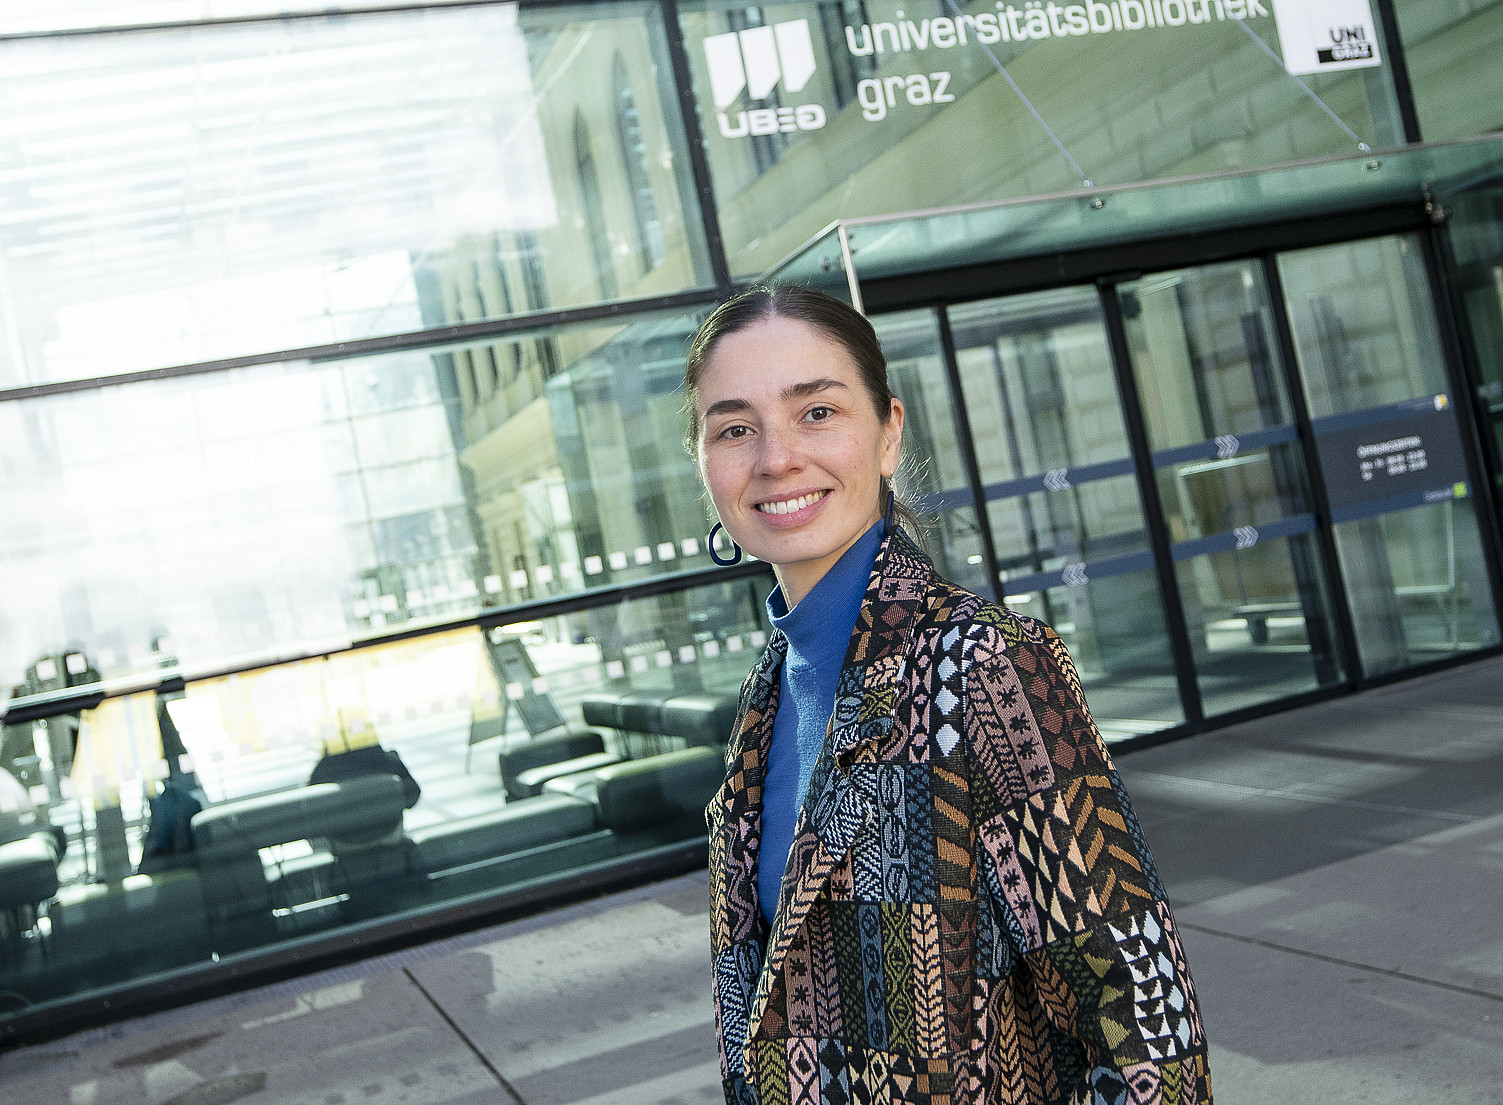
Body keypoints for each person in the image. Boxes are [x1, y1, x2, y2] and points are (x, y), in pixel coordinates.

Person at [687, 286, 1211, 1105]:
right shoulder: (767, 695)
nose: (775, 458)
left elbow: (1146, 1032)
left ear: (888, 432)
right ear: (703, 461)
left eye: (816, 412)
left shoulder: (982, 663)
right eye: (733, 427)